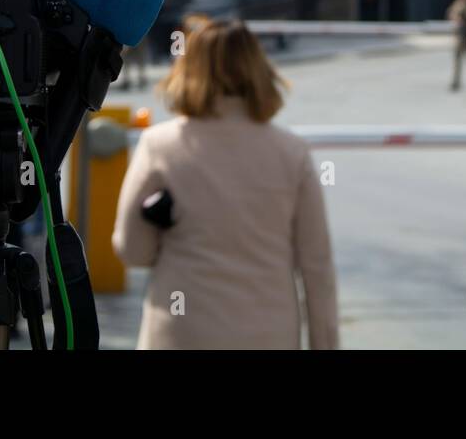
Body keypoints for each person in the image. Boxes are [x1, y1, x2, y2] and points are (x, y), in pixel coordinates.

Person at [112, 19, 338, 349]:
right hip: (267, 332)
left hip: (182, 331)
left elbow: (133, 251)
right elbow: (317, 267)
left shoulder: (159, 145)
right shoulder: (292, 153)